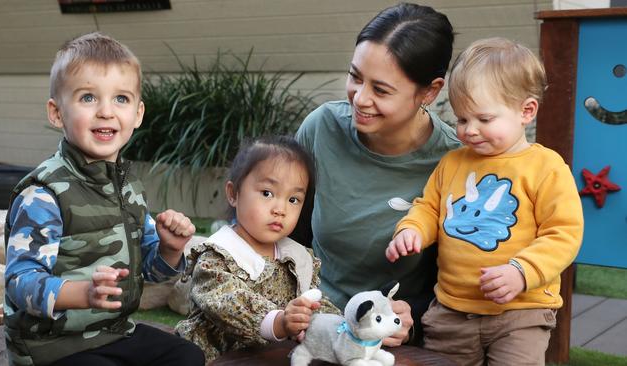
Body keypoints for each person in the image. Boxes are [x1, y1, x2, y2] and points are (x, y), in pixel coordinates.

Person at [3, 32, 205, 366]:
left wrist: (169, 248)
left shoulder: (129, 189)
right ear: (57, 113)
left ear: (138, 114)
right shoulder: (44, 194)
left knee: (187, 356)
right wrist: (83, 293)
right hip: (50, 346)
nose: (106, 112)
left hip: (113, 331)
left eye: (121, 99)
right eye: (88, 98)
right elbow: (20, 282)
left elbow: (151, 272)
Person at [386, 37, 584, 365]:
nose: (470, 130)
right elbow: (430, 207)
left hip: (520, 312)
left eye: (484, 119)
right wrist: (412, 230)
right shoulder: (453, 163)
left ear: (526, 111)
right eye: (462, 119)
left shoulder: (545, 167)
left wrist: (521, 272)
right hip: (451, 311)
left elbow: (563, 233)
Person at [293, 2, 460, 345]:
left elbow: (462, 277)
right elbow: (287, 235)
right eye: (355, 77)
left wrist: (410, 317)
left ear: (430, 91)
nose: (360, 98)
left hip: (387, 337)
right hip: (311, 326)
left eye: (381, 90)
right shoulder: (321, 129)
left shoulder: (455, 164)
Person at [174, 136, 341, 362]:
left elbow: (313, 304)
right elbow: (229, 302)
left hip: (268, 358)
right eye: (267, 193)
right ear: (234, 194)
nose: (280, 209)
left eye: (293, 199)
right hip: (213, 357)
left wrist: (347, 328)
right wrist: (279, 322)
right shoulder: (218, 254)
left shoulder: (297, 258)